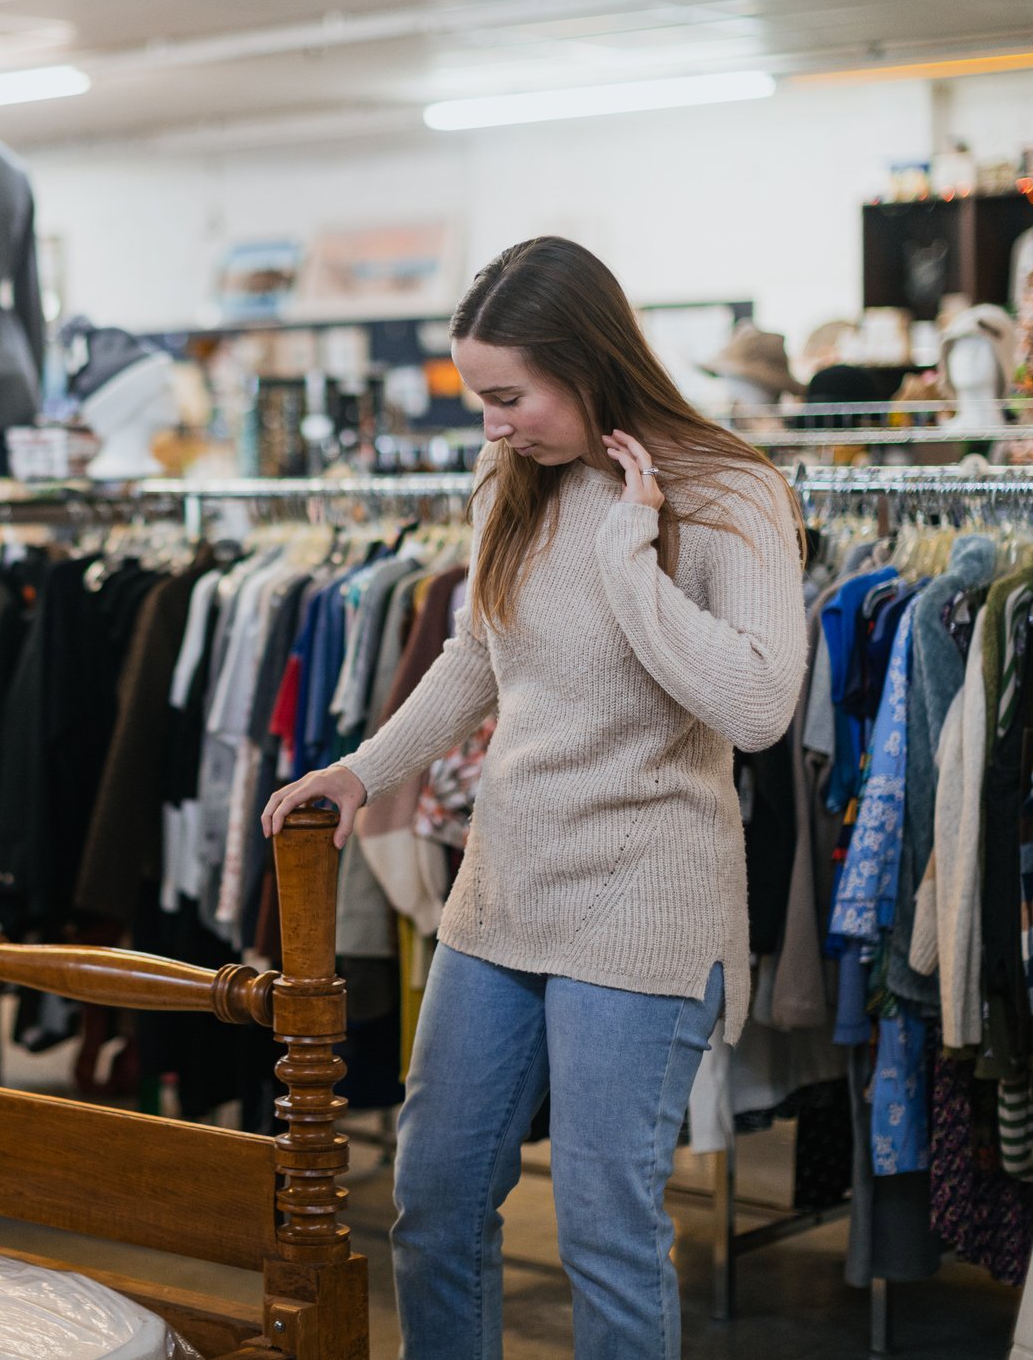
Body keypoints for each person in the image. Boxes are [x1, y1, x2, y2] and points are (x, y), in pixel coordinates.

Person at [262, 237, 807, 1359]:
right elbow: (477, 654)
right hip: (505, 888)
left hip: (648, 906)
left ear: (588, 360)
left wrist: (630, 567)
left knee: (606, 1231)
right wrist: (363, 767)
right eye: (479, 399)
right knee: (435, 1195)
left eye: (511, 395)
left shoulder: (728, 490)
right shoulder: (507, 478)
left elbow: (757, 707)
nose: (494, 422)